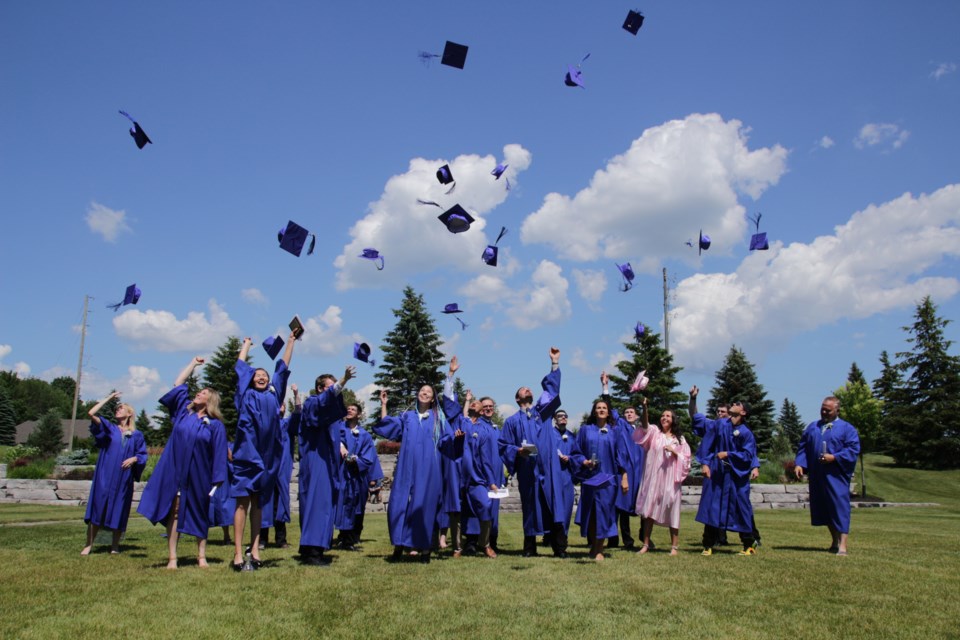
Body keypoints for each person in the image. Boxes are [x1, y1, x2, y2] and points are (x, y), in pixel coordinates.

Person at [137, 356, 228, 569]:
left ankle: (201, 556)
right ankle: (172, 558)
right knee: (175, 512)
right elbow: (178, 385)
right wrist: (193, 365)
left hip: (199, 474)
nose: (198, 394)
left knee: (199, 511)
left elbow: (219, 453)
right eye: (198, 392)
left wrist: (217, 480)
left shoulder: (215, 426)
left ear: (211, 400)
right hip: (175, 470)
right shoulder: (182, 415)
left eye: (203, 393)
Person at [231, 333, 296, 571]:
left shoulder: (273, 393)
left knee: (258, 505)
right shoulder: (244, 395)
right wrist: (246, 345)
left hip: (268, 459)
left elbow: (283, 367)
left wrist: (291, 341)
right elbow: (240, 367)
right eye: (257, 375)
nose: (261, 377)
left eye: (264, 375)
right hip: (247, 457)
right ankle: (238, 553)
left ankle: (256, 549)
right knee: (241, 504)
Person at [498, 347, 568, 558]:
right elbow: (503, 445)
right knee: (529, 508)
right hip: (528, 471)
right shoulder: (511, 422)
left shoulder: (543, 412)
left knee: (553, 505)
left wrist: (554, 364)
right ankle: (529, 549)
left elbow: (552, 390)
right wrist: (517, 451)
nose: (528, 390)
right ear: (518, 399)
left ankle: (559, 548)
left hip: (548, 467)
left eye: (529, 389)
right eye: (523, 390)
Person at [374, 382, 447, 563]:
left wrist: (458, 438)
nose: (424, 393)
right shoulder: (407, 416)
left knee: (424, 508)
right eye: (422, 390)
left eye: (428, 392)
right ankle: (399, 546)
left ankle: (424, 551)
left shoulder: (438, 419)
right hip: (406, 466)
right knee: (399, 505)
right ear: (417, 395)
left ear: (433, 399)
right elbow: (389, 427)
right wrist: (384, 405)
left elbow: (449, 440)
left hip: (428, 468)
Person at [689, 388, 762, 547]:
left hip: (736, 476)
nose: (733, 404)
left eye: (737, 404)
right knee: (713, 506)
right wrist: (704, 463)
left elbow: (749, 454)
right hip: (717, 474)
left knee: (741, 506)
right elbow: (706, 442)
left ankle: (749, 541)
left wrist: (729, 455)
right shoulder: (719, 424)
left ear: (743, 412)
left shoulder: (746, 433)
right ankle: (709, 542)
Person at [298, 367, 355, 566]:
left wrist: (341, 444)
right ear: (321, 389)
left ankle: (310, 548)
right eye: (332, 388)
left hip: (328, 462)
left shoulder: (330, 415)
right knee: (317, 504)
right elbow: (321, 409)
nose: (336, 392)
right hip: (316, 461)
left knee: (322, 504)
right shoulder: (312, 402)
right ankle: (313, 551)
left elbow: (336, 429)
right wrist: (343, 381)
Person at [81, 391, 148, 555]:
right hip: (106, 475)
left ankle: (115, 546)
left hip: (123, 478)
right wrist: (110, 398)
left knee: (119, 508)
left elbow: (142, 454)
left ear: (129, 413)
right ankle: (89, 545)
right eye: (116, 408)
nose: (117, 410)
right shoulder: (109, 428)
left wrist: (134, 459)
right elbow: (91, 413)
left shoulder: (136, 435)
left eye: (121, 408)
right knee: (99, 507)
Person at [794, 396, 861, 556]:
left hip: (835, 475)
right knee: (824, 508)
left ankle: (843, 545)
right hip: (818, 474)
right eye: (822, 408)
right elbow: (803, 446)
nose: (824, 412)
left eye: (828, 410)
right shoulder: (813, 427)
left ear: (837, 410)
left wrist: (835, 457)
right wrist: (800, 463)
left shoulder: (847, 429)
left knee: (839, 507)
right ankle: (834, 541)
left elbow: (852, 450)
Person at [570, 381, 628, 562]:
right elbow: (575, 452)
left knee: (604, 513)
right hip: (590, 479)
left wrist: (624, 476)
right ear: (594, 411)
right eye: (598, 407)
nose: (601, 410)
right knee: (592, 514)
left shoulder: (614, 431)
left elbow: (621, 455)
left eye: (604, 407)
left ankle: (599, 548)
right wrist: (583, 461)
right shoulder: (585, 430)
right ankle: (593, 545)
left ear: (608, 411)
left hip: (608, 479)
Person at [631, 397, 692, 555]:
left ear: (673, 420)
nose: (664, 418)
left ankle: (674, 547)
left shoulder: (680, 440)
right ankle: (645, 544)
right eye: (663, 416)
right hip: (654, 479)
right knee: (649, 511)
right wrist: (645, 407)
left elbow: (687, 459)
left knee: (672, 509)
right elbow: (644, 425)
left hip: (671, 480)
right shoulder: (654, 434)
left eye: (668, 416)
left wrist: (675, 452)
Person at [260, 386, 301, 550]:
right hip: (265, 469)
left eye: (282, 404)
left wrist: (297, 394)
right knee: (263, 504)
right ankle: (262, 539)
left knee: (280, 504)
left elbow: (298, 412)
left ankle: (281, 539)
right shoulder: (264, 424)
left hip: (282, 470)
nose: (279, 406)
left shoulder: (287, 425)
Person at [335, 402, 378, 551]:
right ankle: (339, 537)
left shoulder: (365, 435)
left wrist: (356, 460)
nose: (350, 410)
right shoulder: (338, 429)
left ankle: (349, 539)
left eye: (353, 409)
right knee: (339, 504)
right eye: (348, 409)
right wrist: (340, 446)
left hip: (355, 475)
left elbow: (369, 457)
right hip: (340, 473)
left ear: (359, 415)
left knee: (353, 506)